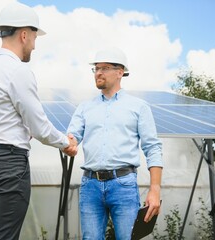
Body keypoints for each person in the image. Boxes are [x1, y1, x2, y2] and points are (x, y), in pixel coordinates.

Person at [0, 2, 78, 239]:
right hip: (8, 165)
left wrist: (8, 129)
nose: (35, 46)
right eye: (35, 38)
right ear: (24, 35)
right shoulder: (18, 71)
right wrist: (65, 143)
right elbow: (38, 126)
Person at [67, 47, 163, 239]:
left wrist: (155, 189)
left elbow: (152, 148)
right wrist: (67, 143)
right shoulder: (85, 108)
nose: (98, 73)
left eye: (105, 68)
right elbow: (72, 138)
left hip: (124, 185)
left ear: (120, 72)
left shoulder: (139, 107)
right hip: (90, 185)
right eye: (96, 68)